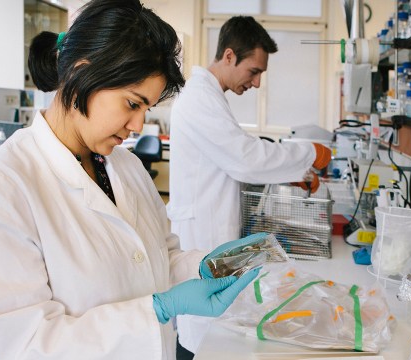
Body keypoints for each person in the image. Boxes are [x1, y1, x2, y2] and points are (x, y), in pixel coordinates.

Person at [0, 1, 260, 359]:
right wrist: (156, 310)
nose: (137, 126)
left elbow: (157, 256)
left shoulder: (126, 167)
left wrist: (203, 266)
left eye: (146, 109)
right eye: (132, 104)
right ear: (83, 72)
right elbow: (28, 345)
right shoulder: (0, 187)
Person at [167, 16, 332, 355]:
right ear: (229, 56)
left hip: (212, 225)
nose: (256, 83)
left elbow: (231, 158)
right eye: (253, 71)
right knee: (201, 331)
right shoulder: (198, 97)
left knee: (215, 322)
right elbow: (243, 157)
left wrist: (288, 173)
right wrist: (308, 153)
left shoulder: (210, 97)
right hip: (202, 230)